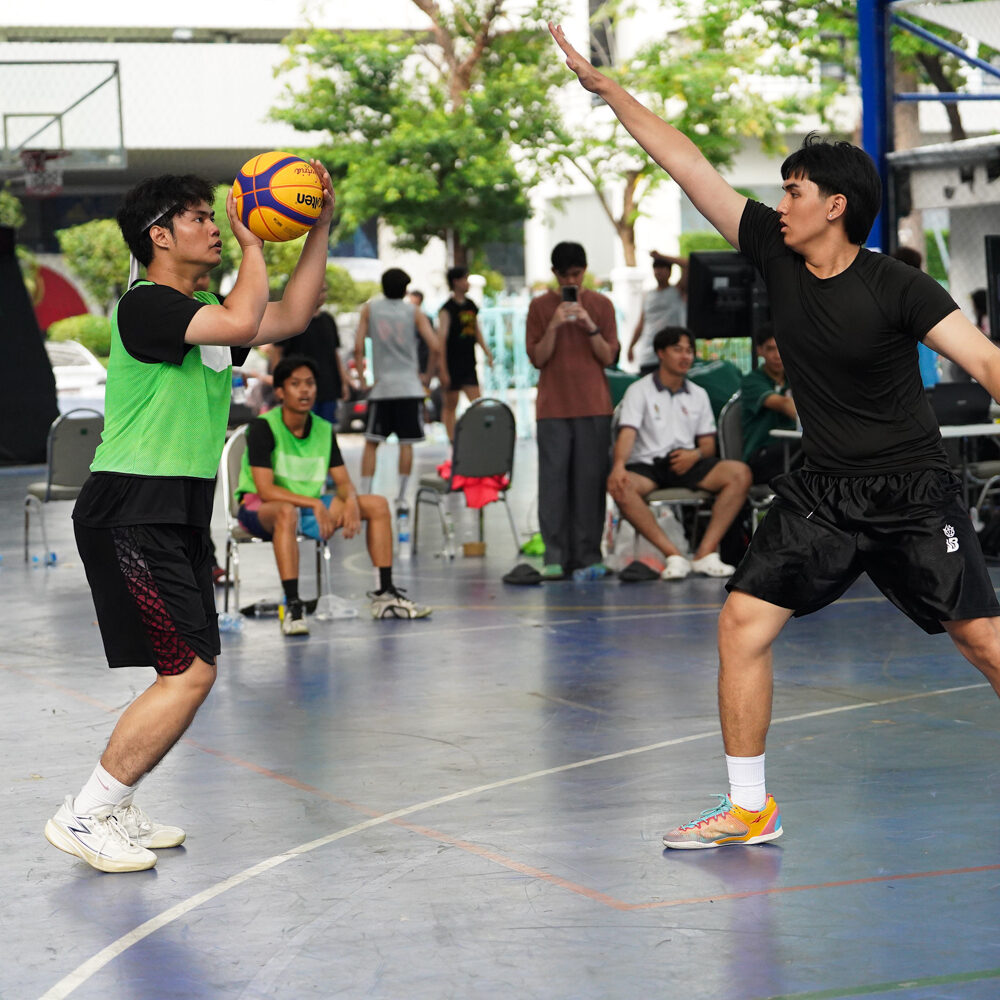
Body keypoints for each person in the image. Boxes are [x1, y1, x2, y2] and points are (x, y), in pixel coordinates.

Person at [551, 22, 1000, 849]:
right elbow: (686, 164)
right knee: (742, 624)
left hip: (912, 491)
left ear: (835, 206)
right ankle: (750, 808)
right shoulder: (775, 253)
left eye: (794, 191)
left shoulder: (897, 286)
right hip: (823, 493)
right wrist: (610, 92)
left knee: (982, 640)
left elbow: (985, 360)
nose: (779, 203)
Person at [45, 164, 335, 872]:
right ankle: (87, 812)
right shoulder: (146, 306)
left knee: (189, 668)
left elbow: (292, 316)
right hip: (131, 509)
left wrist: (319, 226)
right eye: (200, 217)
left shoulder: (200, 315)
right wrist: (256, 241)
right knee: (190, 673)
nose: (215, 227)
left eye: (215, 216)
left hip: (172, 513)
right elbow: (242, 318)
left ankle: (114, 801)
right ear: (159, 235)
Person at [234, 354, 431, 633]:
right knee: (286, 512)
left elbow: (343, 482)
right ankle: (293, 606)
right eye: (295, 384)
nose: (305, 390)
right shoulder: (263, 427)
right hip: (262, 508)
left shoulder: (324, 430)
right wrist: (315, 503)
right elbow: (265, 490)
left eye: (310, 383)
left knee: (376, 504)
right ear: (280, 392)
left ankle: (384, 595)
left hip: (307, 507)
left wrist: (350, 501)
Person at [608, 326, 752, 580]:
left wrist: (694, 455)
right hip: (649, 466)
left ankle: (705, 554)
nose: (685, 356)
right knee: (619, 486)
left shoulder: (698, 394)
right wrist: (619, 466)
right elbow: (627, 434)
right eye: (678, 350)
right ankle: (674, 555)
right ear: (661, 353)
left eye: (689, 351)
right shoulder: (639, 390)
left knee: (740, 474)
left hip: (687, 462)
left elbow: (708, 445)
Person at [526, 241, 619, 579]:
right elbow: (538, 358)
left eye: (576, 275)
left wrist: (588, 323)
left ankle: (588, 554)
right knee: (553, 484)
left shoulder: (601, 305)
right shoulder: (539, 307)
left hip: (594, 405)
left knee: (590, 483)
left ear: (585, 271)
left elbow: (607, 357)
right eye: (564, 276)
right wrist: (554, 324)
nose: (571, 282)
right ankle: (555, 555)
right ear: (554, 273)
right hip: (553, 408)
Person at [354, 268, 439, 512]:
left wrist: (363, 380)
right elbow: (435, 346)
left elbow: (358, 347)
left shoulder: (370, 309)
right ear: (404, 289)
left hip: (382, 388)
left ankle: (365, 494)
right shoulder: (413, 311)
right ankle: (401, 497)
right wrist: (427, 376)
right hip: (409, 386)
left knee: (372, 442)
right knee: (406, 443)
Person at [275, 285, 349, 424]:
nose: (323, 295)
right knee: (302, 427)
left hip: (328, 387)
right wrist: (278, 383)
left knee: (326, 429)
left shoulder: (328, 320)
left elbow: (335, 353)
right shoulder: (293, 318)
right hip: (300, 389)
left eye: (325, 290)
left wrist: (343, 382)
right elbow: (277, 352)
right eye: (319, 290)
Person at [438, 265, 494, 442]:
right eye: (464, 279)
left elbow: (476, 330)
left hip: (468, 362)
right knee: (451, 404)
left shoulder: (470, 305)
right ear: (456, 282)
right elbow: (441, 340)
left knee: (477, 402)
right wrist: (443, 369)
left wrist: (487, 352)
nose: (467, 283)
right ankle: (453, 440)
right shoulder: (447, 309)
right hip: (452, 362)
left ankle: (481, 437)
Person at [740, 325, 798, 485]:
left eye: (781, 348)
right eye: (771, 349)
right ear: (759, 351)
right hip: (760, 457)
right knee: (812, 447)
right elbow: (783, 404)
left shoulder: (796, 379)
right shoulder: (752, 381)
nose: (777, 355)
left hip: (792, 451)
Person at [626, 251, 688, 375]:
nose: (659, 271)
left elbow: (687, 264)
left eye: (662, 268)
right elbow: (641, 324)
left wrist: (662, 256)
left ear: (670, 271)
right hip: (648, 355)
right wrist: (631, 346)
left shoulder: (677, 290)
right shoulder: (647, 295)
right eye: (656, 268)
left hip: (672, 355)